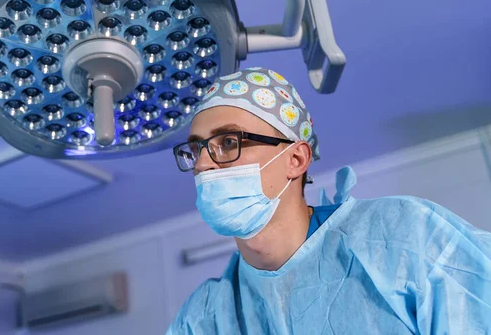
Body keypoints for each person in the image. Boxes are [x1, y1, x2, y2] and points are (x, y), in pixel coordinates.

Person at [166, 67, 491, 334]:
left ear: (295, 159)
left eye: (228, 141)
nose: (202, 164)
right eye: (196, 149)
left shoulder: (402, 238)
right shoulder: (203, 319)